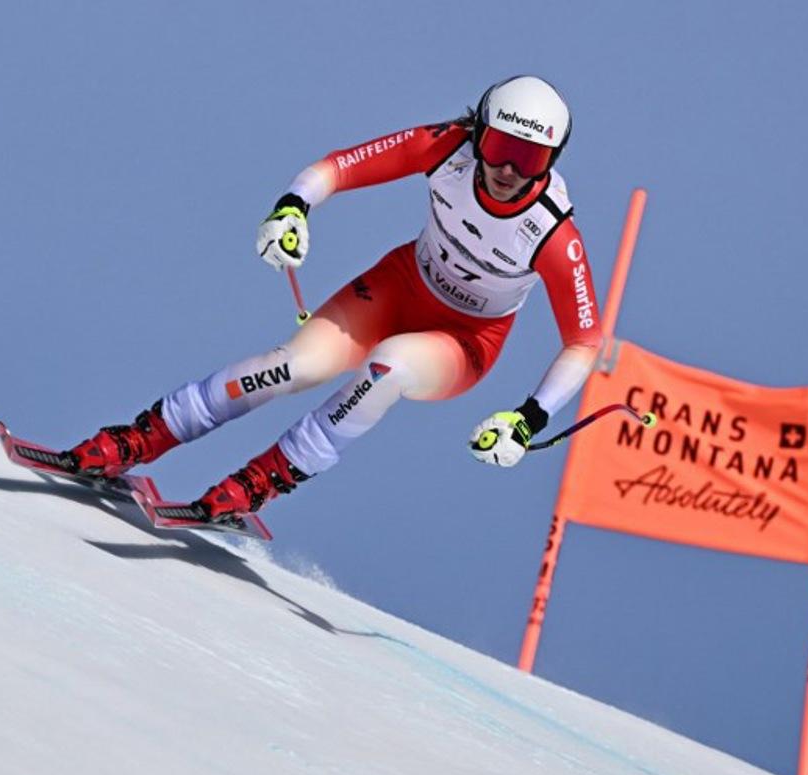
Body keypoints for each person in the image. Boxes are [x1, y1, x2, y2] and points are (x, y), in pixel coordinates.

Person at [61, 75, 602, 523]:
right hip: (399, 286)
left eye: (530, 159)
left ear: (553, 159)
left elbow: (584, 342)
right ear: (478, 134)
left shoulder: (552, 233)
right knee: (295, 366)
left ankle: (261, 481)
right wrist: (293, 207)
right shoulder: (446, 148)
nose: (509, 170)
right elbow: (339, 166)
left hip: (465, 340)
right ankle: (139, 438)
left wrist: (530, 419)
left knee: (389, 369)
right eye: (500, 148)